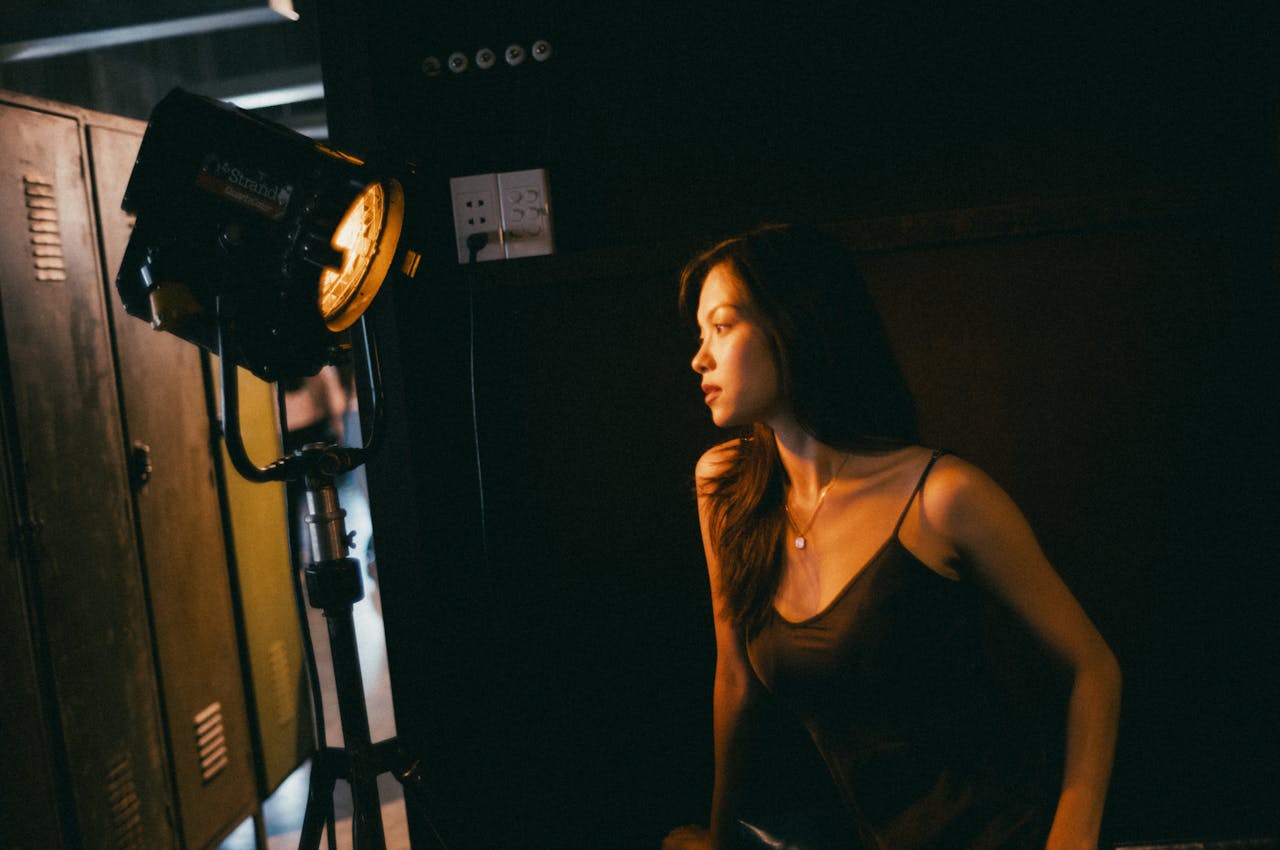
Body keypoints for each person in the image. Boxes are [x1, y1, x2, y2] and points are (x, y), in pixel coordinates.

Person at [663, 224, 1121, 850]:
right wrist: (719, 841)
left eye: (721, 326)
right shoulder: (724, 487)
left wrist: (1072, 836)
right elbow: (736, 682)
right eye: (699, 335)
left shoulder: (943, 496)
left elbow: (1093, 667)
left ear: (794, 326)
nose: (700, 358)